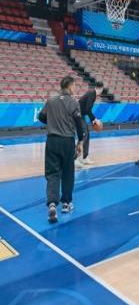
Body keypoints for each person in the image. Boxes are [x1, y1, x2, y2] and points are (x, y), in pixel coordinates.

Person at [38, 76, 85, 223]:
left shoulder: (51, 100)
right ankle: (66, 203)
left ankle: (52, 204)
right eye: (75, 86)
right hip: (67, 141)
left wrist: (52, 121)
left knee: (52, 174)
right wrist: (80, 141)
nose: (75, 88)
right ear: (70, 86)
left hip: (52, 141)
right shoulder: (74, 102)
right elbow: (79, 124)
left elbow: (41, 117)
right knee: (67, 173)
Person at [75, 81, 104, 168]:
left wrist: (93, 120)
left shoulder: (92, 93)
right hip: (77, 115)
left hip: (81, 115)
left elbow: (86, 109)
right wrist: (94, 119)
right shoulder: (92, 94)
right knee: (83, 135)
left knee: (87, 134)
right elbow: (87, 109)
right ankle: (74, 159)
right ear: (101, 89)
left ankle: (85, 158)